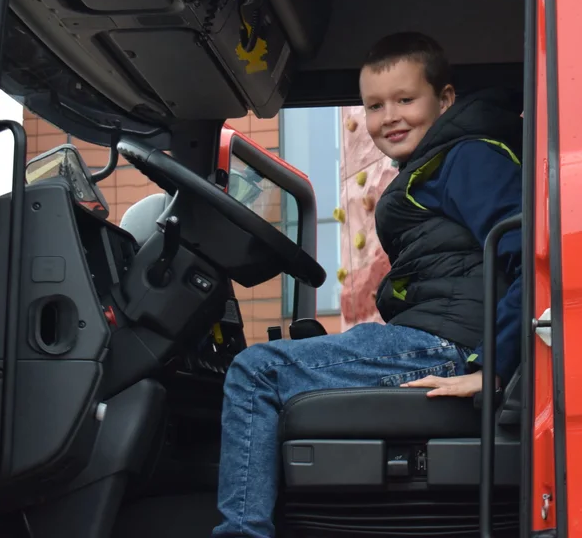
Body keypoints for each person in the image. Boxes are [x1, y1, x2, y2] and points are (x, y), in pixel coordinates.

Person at [212, 31, 523, 538]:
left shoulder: (467, 158)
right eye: (375, 106)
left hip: (445, 346)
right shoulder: (435, 165)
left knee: (257, 372)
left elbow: (529, 251)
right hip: (441, 338)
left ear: (444, 99)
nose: (390, 117)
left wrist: (494, 367)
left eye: (406, 99)